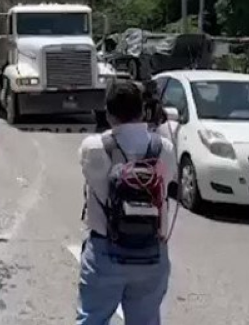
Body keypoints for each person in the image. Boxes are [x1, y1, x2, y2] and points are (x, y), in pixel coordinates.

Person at [78, 80, 176, 325]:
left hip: (105, 251)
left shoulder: (93, 147)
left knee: (92, 319)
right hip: (151, 253)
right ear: (143, 111)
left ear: (109, 114)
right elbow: (168, 180)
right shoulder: (164, 148)